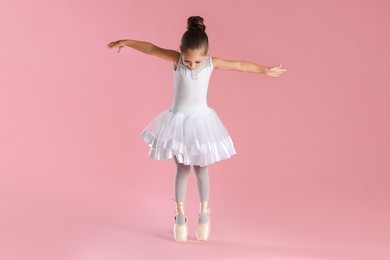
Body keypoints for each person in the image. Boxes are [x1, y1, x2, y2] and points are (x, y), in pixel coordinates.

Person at [107, 16, 285, 242]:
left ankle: (204, 212)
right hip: (179, 124)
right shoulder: (176, 60)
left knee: (201, 169)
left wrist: (265, 70)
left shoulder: (211, 64)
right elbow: (151, 49)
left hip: (202, 124)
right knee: (182, 169)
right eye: (188, 61)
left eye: (197, 63)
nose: (191, 66)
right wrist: (127, 42)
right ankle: (180, 214)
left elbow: (239, 65)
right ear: (181, 51)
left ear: (205, 56)